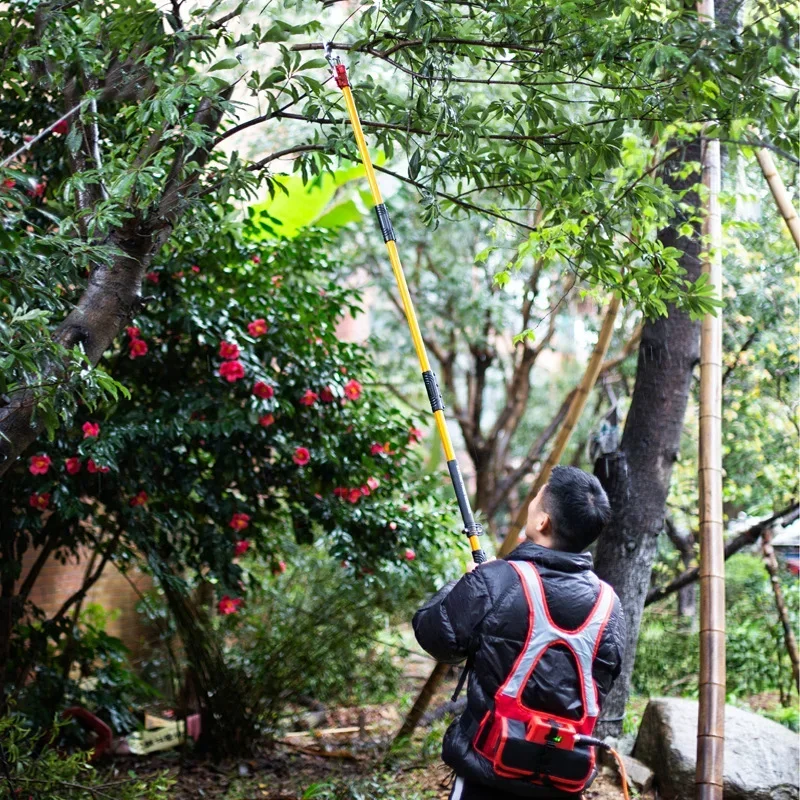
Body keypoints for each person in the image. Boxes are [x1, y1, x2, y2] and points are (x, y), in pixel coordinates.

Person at [413, 466, 626, 799]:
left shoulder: (497, 580)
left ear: (543, 522)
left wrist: (467, 583)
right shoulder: (610, 607)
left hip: (487, 770)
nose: (531, 504)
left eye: (536, 498)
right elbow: (604, 681)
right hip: (562, 774)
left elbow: (435, 636)